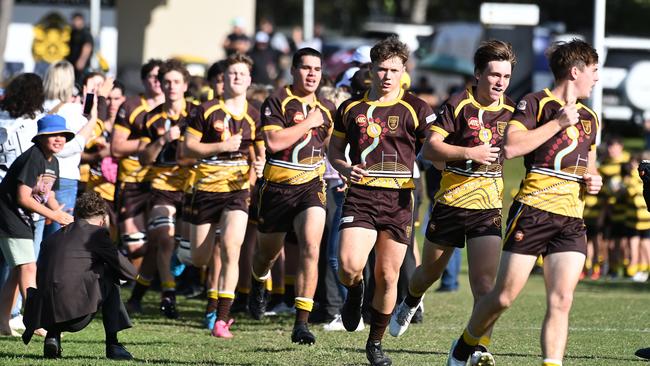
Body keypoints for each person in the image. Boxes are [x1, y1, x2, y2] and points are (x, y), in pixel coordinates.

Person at [446, 39, 602, 366]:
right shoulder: (534, 104)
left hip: (571, 219)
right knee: (502, 297)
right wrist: (559, 122)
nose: (597, 78)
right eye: (593, 71)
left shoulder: (591, 118)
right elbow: (512, 147)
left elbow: (589, 162)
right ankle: (463, 346)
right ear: (575, 72)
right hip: (533, 212)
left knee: (562, 300)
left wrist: (593, 177)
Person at [389, 41, 517, 364]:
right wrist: (469, 153)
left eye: (506, 75)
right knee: (427, 274)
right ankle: (411, 299)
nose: (500, 82)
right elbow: (430, 150)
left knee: (485, 287)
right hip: (450, 203)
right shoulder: (458, 104)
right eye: (494, 75)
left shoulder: (513, 112)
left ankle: (478, 347)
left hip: (487, 209)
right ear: (478, 74)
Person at [328, 36, 434, 366]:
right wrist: (345, 167)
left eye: (394, 69)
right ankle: (355, 291)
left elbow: (433, 147)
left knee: (388, 276)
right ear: (370, 70)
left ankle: (375, 343)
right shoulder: (350, 108)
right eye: (381, 69)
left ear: (404, 71)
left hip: (399, 199)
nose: (387, 75)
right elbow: (334, 150)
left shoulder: (416, 108)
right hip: (361, 195)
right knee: (348, 266)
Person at [249, 47, 336, 345]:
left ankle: (302, 322)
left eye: (317, 69)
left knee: (312, 244)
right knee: (266, 256)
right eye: (306, 68)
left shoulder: (326, 108)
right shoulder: (276, 100)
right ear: (293, 70)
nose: (312, 74)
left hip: (311, 186)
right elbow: (273, 142)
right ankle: (258, 281)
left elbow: (326, 146)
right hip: (276, 188)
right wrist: (307, 124)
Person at [182, 53, 264, 337]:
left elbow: (259, 149)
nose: (238, 78)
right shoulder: (204, 110)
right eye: (233, 74)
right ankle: (183, 248)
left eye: (243, 73)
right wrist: (222, 146)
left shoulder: (254, 114)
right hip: (205, 189)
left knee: (231, 247)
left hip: (237, 192)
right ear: (224, 79)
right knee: (200, 258)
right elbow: (188, 148)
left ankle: (222, 319)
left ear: (250, 80)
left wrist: (260, 165)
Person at [21, 191, 136, 360]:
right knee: (111, 276)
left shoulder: (52, 238)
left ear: (75, 214)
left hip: (44, 315)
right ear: (103, 220)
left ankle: (52, 336)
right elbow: (127, 270)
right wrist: (143, 278)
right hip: (76, 315)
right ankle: (113, 345)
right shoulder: (97, 234)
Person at [0, 114, 75, 336]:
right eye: (52, 135)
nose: (58, 139)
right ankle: (37, 321)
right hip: (10, 216)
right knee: (28, 267)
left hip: (23, 219)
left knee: (17, 272)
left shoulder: (54, 161)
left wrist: (59, 212)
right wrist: (52, 214)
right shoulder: (34, 157)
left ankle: (2, 324)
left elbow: (47, 191)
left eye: (62, 135)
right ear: (40, 138)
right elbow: (23, 197)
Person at [137, 59, 197, 319]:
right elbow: (143, 158)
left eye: (176, 82)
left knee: (187, 248)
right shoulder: (151, 116)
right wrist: (163, 139)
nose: (171, 87)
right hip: (162, 185)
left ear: (185, 85)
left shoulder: (197, 112)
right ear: (160, 85)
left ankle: (147, 287)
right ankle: (168, 295)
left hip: (193, 185)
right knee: (163, 238)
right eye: (167, 82)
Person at [111, 59, 164, 278]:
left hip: (164, 180)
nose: (158, 82)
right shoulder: (131, 106)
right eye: (152, 77)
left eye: (161, 77)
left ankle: (150, 284)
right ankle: (138, 283)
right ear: (143, 81)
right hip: (132, 178)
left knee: (162, 237)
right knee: (135, 244)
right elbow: (116, 147)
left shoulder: (178, 107)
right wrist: (146, 144)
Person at [66, 12, 93, 82]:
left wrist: (82, 60)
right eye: (73, 20)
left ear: (81, 20)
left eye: (76, 20)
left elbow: (87, 46)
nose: (74, 22)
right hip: (72, 65)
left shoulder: (85, 33)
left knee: (81, 84)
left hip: (81, 67)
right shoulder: (73, 32)